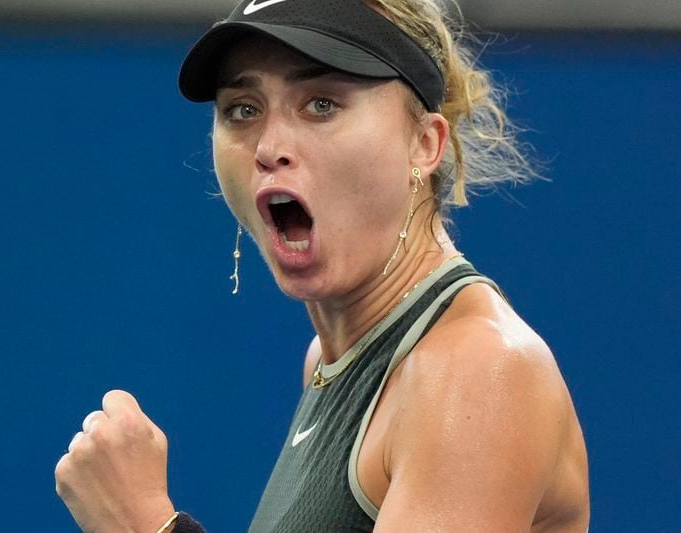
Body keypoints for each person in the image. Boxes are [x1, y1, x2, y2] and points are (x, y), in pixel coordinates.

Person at [55, 0, 590, 531]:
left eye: (321, 105)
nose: (268, 147)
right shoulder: (329, 361)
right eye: (242, 109)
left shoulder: (476, 370)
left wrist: (144, 523)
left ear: (424, 143)